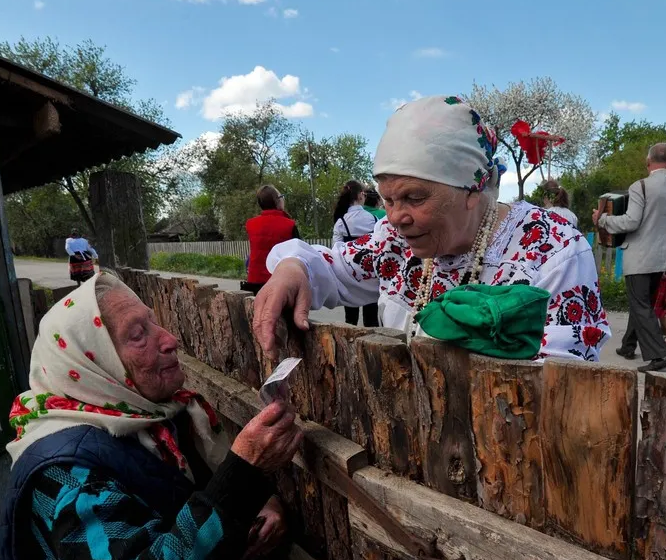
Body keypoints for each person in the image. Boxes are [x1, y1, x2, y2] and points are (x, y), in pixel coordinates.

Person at [0, 273, 303, 560]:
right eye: (137, 336)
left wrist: (261, 501)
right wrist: (245, 476)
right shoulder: (58, 476)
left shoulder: (143, 421)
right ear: (92, 361)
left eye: (155, 324)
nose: (169, 340)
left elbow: (193, 506)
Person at [252, 95, 610, 362]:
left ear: (472, 189)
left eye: (413, 197)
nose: (394, 217)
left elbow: (566, 379)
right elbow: (334, 269)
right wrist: (294, 268)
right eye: (388, 200)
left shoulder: (553, 250)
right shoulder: (395, 243)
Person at [593, 143, 666, 372]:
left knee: (640, 305)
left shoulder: (640, 186)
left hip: (640, 257)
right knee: (643, 303)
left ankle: (660, 355)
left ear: (648, 162)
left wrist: (603, 219)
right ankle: (628, 345)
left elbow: (630, 221)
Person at [333, 180, 380, 327]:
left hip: (349, 275)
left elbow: (336, 251)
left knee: (350, 320)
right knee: (372, 320)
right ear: (361, 195)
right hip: (371, 275)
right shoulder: (373, 220)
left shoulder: (341, 222)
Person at [244, 185, 299, 295]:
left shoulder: (250, 224)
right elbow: (299, 253)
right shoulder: (289, 225)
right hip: (280, 280)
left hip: (255, 281)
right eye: (281, 196)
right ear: (277, 201)